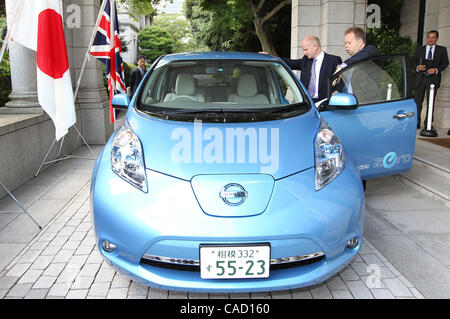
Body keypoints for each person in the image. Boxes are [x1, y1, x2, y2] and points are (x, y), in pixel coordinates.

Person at [272, 35, 342, 101]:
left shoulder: (334, 61)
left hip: (326, 103)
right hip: (308, 103)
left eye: (306, 50)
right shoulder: (305, 60)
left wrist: (336, 93)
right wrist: (272, 57)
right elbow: (291, 63)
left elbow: (341, 82)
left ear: (315, 46)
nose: (304, 52)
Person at [413, 30, 449, 130]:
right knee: (418, 102)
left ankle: (428, 123)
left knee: (431, 102)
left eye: (433, 37)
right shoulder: (420, 49)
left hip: (433, 79)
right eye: (429, 37)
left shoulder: (442, 50)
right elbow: (413, 63)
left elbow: (445, 63)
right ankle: (416, 122)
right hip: (420, 78)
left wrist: (436, 70)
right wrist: (417, 67)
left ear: (436, 38)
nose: (430, 39)